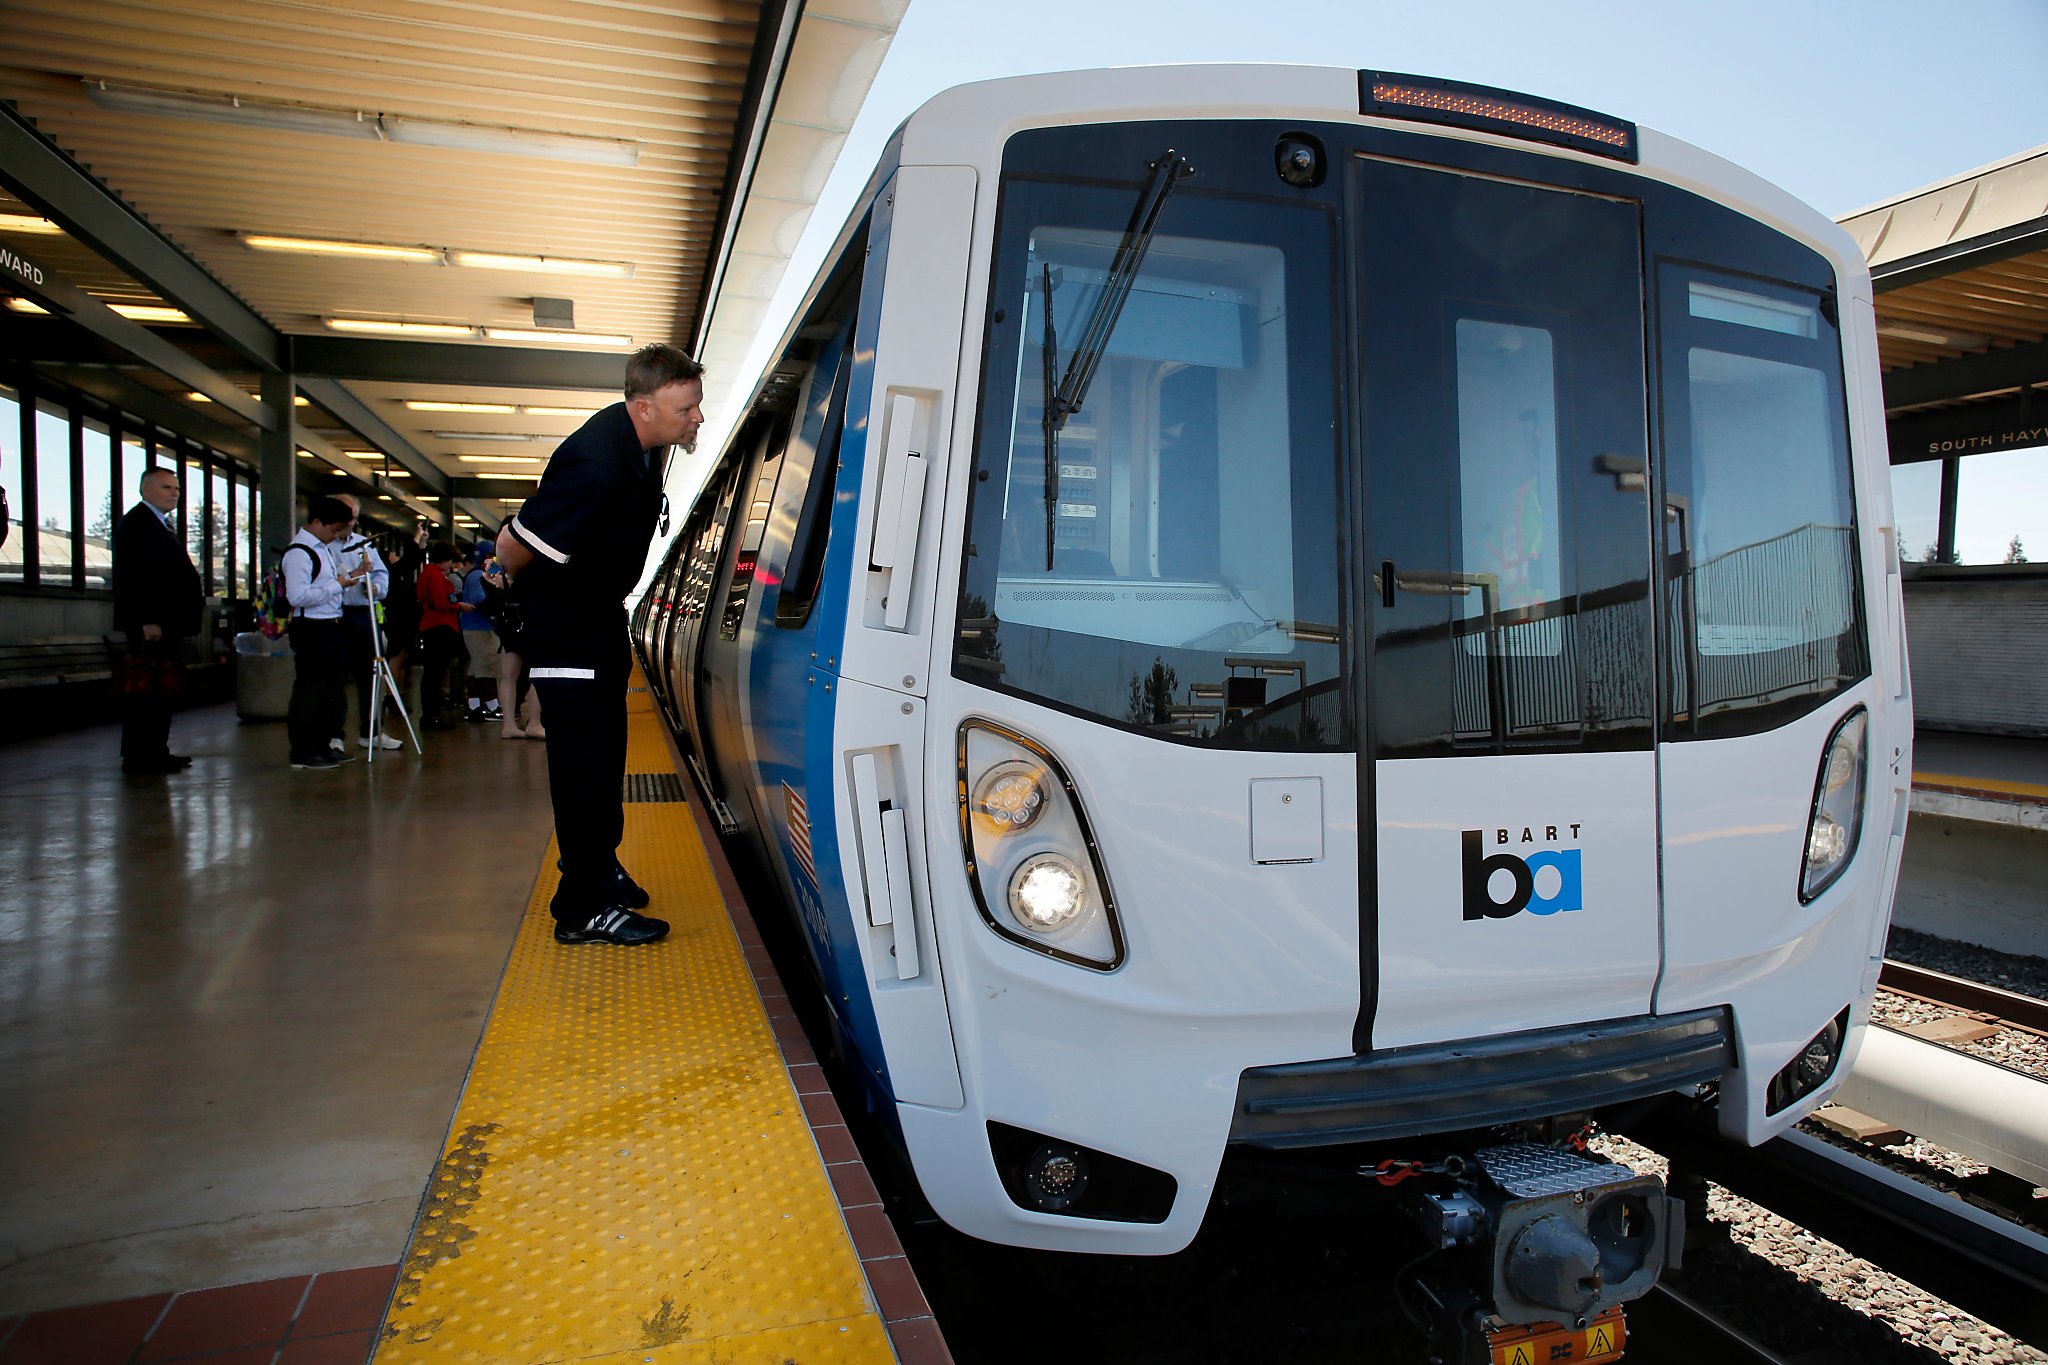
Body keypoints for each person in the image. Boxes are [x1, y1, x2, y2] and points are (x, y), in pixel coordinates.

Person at [496, 343, 703, 946]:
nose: (696, 418)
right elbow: (515, 548)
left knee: (603, 761)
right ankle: (582, 908)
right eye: (685, 408)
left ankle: (597, 871)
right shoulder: (596, 460)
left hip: (592, 627)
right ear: (644, 407)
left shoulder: (638, 450)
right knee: (585, 770)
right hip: (570, 634)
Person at [111, 466, 203, 774]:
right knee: (146, 691)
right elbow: (135, 577)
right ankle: (140, 757)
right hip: (152, 625)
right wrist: (146, 620)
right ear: (145, 490)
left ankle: (155, 751)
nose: (174, 493)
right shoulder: (138, 524)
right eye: (166, 487)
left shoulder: (158, 525)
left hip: (168, 623)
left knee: (161, 689)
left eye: (176, 488)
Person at [281, 496, 364, 771]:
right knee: (311, 690)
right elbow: (298, 596)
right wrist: (337, 585)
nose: (337, 537)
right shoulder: (300, 553)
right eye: (334, 530)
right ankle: (303, 750)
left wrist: (350, 577)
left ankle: (323, 744)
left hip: (331, 624)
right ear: (316, 522)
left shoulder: (321, 549)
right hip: (311, 628)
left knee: (332, 691)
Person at [330, 494, 400, 752]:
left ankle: (371, 731)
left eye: (355, 518)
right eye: (347, 518)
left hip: (364, 613)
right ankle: (334, 735)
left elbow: (382, 577)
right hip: (336, 614)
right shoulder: (324, 546)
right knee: (336, 676)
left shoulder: (363, 544)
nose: (351, 523)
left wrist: (375, 586)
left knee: (370, 676)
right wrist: (350, 577)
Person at [481, 554, 544, 739]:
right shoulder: (533, 564)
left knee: (508, 677)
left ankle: (508, 725)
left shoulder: (500, 563)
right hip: (530, 623)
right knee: (537, 675)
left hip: (508, 625)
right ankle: (534, 722)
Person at [415, 542, 465, 729]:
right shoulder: (435, 576)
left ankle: (432, 713)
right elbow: (440, 602)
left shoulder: (428, 574)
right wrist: (458, 606)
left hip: (434, 626)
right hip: (439, 626)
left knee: (433, 673)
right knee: (434, 673)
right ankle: (431, 715)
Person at [459, 541, 502, 723]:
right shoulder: (479, 577)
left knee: (476, 667)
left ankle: (475, 705)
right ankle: (491, 705)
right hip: (480, 628)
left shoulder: (475, 575)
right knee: (486, 667)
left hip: (474, 627)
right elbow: (481, 601)